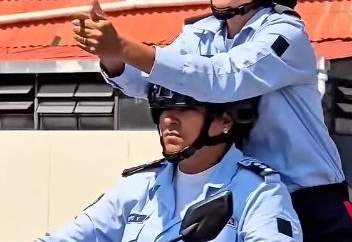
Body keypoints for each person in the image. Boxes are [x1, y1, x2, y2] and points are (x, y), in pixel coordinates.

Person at [71, 0, 352, 241]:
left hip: (308, 200)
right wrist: (110, 55)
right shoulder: (200, 34)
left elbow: (223, 79)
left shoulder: (284, 33)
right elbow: (159, 86)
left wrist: (122, 45)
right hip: (238, 192)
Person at [35, 84, 302, 242]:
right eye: (164, 109)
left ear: (225, 121)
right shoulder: (141, 186)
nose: (169, 120)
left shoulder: (258, 191)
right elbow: (75, 235)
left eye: (186, 109)